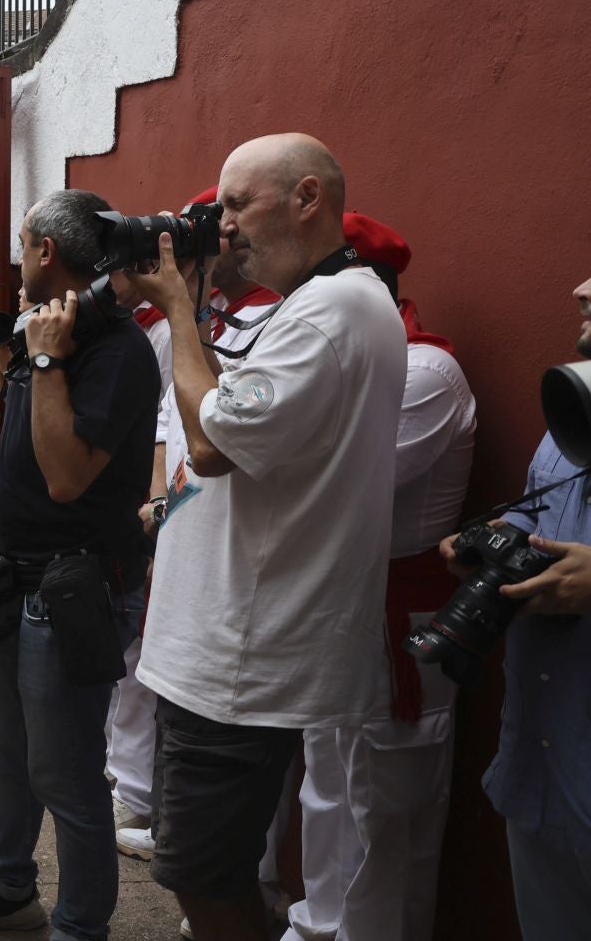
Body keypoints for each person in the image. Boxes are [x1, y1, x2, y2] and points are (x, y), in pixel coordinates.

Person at [130, 134, 406, 941]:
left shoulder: (332, 311)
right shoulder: (320, 306)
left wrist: (180, 306)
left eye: (236, 204)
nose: (222, 226)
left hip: (243, 655)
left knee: (201, 873)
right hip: (239, 645)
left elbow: (212, 446)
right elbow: (234, 410)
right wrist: (198, 301)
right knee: (206, 865)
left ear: (307, 198)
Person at [0, 190, 160, 941]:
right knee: (7, 751)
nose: (17, 259)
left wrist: (47, 358)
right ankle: (8, 882)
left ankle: (81, 925)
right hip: (23, 570)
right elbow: (40, 472)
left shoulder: (110, 350)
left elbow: (66, 477)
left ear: (47, 252)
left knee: (65, 773)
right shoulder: (58, 333)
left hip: (71, 589)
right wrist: (0, 525)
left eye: (23, 244)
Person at [276, 213, 474, 941]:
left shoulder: (425, 371)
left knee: (382, 808)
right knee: (327, 785)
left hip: (403, 616)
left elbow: (333, 486)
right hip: (340, 604)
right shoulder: (352, 357)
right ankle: (318, 925)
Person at [113, 189, 280, 862]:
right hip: (184, 522)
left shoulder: (268, 321)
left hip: (234, 543)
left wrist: (168, 508)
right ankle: (144, 794)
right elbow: (172, 435)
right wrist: (164, 511)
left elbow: (215, 442)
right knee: (153, 667)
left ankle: (246, 879)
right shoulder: (203, 315)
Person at [459, 273, 591, 939]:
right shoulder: (568, 417)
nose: (580, 288)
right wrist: (494, 539)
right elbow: (541, 510)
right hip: (541, 769)